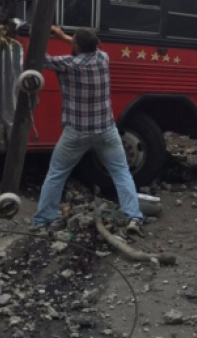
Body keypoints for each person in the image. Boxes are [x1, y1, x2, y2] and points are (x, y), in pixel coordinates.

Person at [32, 27, 144, 234]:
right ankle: (133, 217)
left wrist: (38, 33)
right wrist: (66, 37)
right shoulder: (103, 58)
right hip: (106, 131)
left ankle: (43, 220)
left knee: (56, 174)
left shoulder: (68, 64)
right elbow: (84, 48)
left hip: (77, 133)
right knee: (121, 172)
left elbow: (39, 57)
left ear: (76, 46)